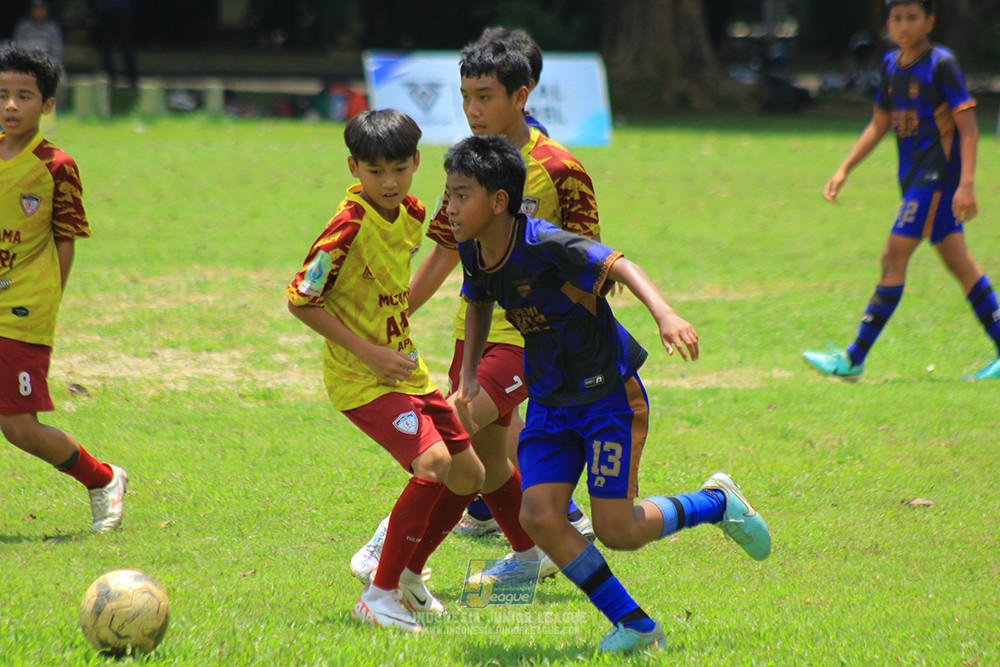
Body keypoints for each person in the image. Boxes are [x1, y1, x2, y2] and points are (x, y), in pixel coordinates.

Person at [448, 134, 771, 653]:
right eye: (449, 193)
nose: (450, 206)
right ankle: (637, 626)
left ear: (499, 201)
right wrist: (467, 376)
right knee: (539, 515)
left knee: (617, 529)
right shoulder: (474, 249)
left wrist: (665, 314)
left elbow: (620, 264)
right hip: (551, 401)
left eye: (462, 195)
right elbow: (479, 301)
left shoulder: (545, 242)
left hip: (606, 397)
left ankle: (715, 502)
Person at [349, 38, 600, 585]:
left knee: (454, 430)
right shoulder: (467, 163)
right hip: (476, 328)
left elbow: (591, 264)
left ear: (521, 95)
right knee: (485, 464)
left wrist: (564, 345)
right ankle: (531, 557)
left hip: (532, 338)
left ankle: (392, 553)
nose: (473, 110)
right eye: (465, 97)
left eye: (485, 97)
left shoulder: (560, 169)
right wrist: (398, 316)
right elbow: (444, 247)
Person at [285, 109, 485, 634]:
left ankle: (410, 577)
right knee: (433, 464)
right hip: (362, 378)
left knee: (469, 475)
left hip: (406, 369)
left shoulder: (415, 211)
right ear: (354, 168)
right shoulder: (345, 229)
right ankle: (378, 594)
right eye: (376, 171)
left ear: (417, 162)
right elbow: (301, 300)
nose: (390, 181)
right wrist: (367, 350)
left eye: (399, 167)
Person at [804, 0, 1000, 381]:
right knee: (962, 266)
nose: (904, 26)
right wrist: (844, 169)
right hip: (914, 182)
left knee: (893, 256)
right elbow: (879, 124)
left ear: (929, 21)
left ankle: (854, 357)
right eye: (896, 18)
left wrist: (967, 184)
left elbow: (969, 126)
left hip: (937, 182)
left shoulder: (941, 64)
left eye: (912, 18)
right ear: (887, 24)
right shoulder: (890, 67)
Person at [0, 45, 127, 533]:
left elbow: (65, 237)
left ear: (47, 105)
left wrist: (50, 297)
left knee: (19, 428)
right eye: (4, 94)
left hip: (22, 309)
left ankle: (102, 479)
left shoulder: (55, 166)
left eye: (24, 96)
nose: (11, 105)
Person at [95, 0, 137, 89]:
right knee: (105, 45)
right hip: (105, 9)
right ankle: (109, 74)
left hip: (121, 8)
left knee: (125, 44)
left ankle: (132, 76)